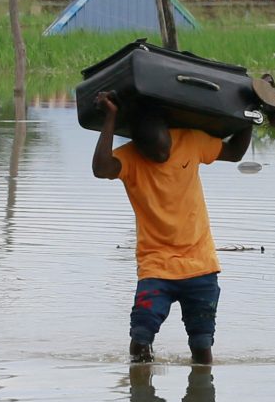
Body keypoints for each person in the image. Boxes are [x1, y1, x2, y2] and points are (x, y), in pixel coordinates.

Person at [91, 95, 250, 363]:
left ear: (169, 132)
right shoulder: (129, 157)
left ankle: (201, 397)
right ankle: (141, 394)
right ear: (138, 144)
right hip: (156, 267)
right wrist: (110, 117)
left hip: (200, 265)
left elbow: (235, 152)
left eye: (164, 148)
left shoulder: (190, 140)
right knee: (141, 336)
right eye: (152, 152)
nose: (161, 156)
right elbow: (100, 168)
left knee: (201, 345)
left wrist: (251, 113)